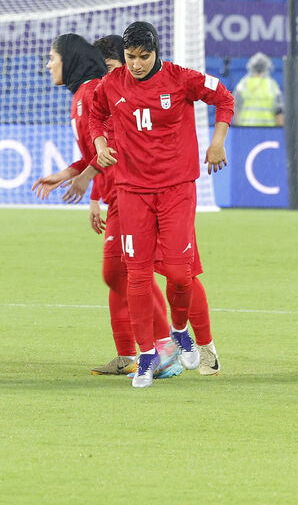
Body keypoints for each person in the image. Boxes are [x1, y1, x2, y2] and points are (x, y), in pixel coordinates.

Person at [83, 21, 233, 388]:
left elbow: (225, 98)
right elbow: (94, 114)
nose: (136, 64)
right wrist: (100, 144)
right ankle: (147, 356)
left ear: (156, 52)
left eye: (143, 57)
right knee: (137, 274)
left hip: (177, 190)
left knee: (181, 275)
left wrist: (218, 141)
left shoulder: (181, 78)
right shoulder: (112, 83)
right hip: (132, 191)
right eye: (130, 57)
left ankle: (180, 330)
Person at [33, 35, 146, 376]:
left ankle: (167, 347)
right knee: (118, 275)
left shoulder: (93, 92)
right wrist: (67, 174)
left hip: (130, 191)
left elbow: (114, 144)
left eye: (53, 57)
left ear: (70, 59)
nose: (48, 64)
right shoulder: (80, 97)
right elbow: (90, 152)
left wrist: (86, 180)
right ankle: (128, 355)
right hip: (114, 193)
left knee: (131, 274)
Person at [232, 52, 283, 126]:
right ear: (267, 68)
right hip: (268, 131)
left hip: (245, 130)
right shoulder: (272, 86)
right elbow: (279, 113)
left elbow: (236, 110)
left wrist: (237, 129)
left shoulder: (243, 85)